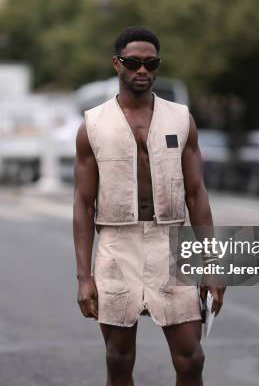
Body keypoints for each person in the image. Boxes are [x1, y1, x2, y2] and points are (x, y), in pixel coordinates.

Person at [73, 26, 226, 385]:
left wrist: (212, 264)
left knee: (191, 358)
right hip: (116, 245)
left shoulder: (180, 118)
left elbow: (196, 194)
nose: (142, 70)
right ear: (117, 64)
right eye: (133, 63)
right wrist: (84, 276)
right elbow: (82, 204)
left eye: (151, 63)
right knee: (119, 359)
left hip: (169, 243)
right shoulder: (93, 125)